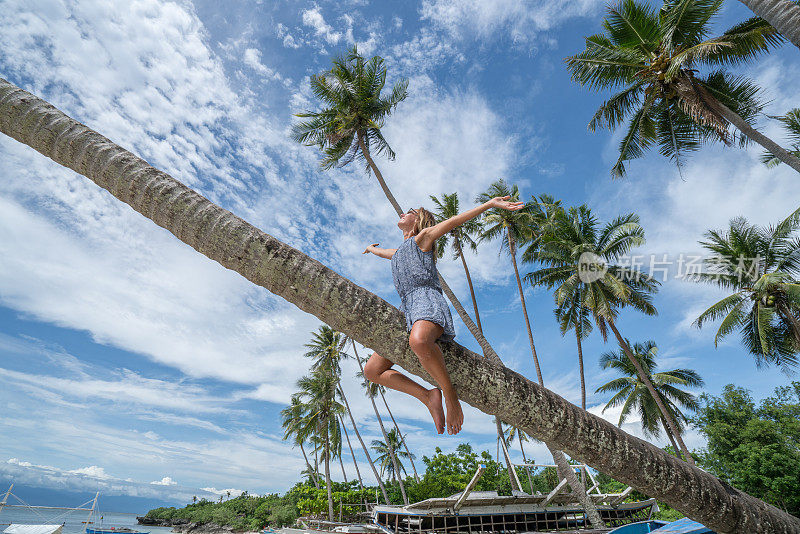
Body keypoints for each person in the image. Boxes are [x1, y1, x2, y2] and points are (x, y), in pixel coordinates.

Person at [363, 195, 524, 435]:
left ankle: (450, 395)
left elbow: (455, 221)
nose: (402, 213)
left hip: (427, 301)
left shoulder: (423, 238)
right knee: (372, 371)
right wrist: (371, 249)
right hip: (406, 310)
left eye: (409, 210)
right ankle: (427, 396)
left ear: (419, 221)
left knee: (419, 340)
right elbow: (383, 252)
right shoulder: (398, 253)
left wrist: (490, 204)